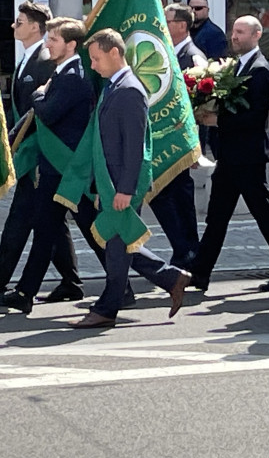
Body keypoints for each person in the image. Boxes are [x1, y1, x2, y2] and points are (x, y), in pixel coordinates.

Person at [0, 1, 83, 306]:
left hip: (41, 154)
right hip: (32, 154)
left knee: (25, 220)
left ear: (35, 27)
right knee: (51, 224)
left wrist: (12, 143)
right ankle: (70, 282)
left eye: (19, 22)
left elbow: (38, 113)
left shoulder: (44, 60)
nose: (13, 26)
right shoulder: (28, 58)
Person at [69, 29, 191, 328]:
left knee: (117, 246)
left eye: (97, 59)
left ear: (114, 53)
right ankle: (171, 277)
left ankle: (107, 308)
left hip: (124, 186)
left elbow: (135, 145)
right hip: (111, 183)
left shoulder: (129, 90)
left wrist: (124, 189)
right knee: (121, 241)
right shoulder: (114, 85)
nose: (93, 65)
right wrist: (101, 187)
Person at [0, 17, 93, 314]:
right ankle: (25, 292)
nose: (48, 44)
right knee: (45, 227)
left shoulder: (74, 75)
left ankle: (157, 276)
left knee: (94, 228)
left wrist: (38, 94)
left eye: (54, 40)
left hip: (68, 165)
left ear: (71, 45)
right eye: (48, 38)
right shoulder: (60, 72)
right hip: (53, 166)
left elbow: (48, 113)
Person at [189, 16, 269, 292]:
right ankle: (200, 274)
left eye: (241, 32)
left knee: (263, 213)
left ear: (257, 35)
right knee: (217, 216)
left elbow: (254, 117)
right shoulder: (235, 66)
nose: (235, 37)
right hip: (230, 156)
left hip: (248, 157)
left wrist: (216, 119)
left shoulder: (260, 70)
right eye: (234, 31)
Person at [146, 2, 205, 270]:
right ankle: (185, 250)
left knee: (177, 196)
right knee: (167, 195)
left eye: (167, 21)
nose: (163, 25)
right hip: (163, 139)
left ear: (181, 26)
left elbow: (200, 105)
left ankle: (187, 250)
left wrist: (194, 145)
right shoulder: (167, 53)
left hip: (179, 141)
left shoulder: (193, 58)